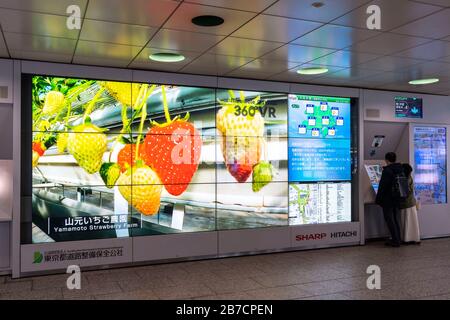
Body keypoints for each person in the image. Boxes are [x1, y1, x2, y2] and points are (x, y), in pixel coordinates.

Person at [375, 152, 404, 247]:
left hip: (388, 199)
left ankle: (395, 241)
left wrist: (378, 199)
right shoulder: (400, 169)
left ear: (386, 160)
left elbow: (382, 186)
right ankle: (398, 238)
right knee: (395, 219)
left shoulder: (387, 171)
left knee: (389, 219)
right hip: (397, 198)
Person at [398, 163, 421, 244]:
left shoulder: (402, 178)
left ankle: (406, 239)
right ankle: (415, 238)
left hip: (405, 204)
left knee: (406, 222)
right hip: (412, 203)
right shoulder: (409, 177)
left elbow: (403, 194)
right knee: (413, 222)